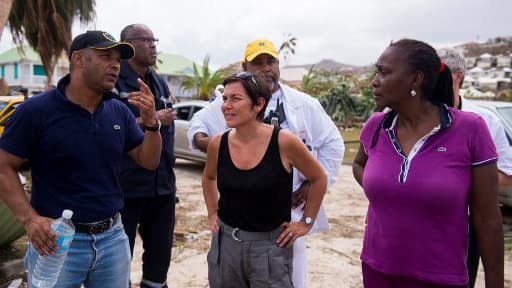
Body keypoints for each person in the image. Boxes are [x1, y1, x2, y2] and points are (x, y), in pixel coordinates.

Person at [0, 30, 162, 287]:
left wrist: (152, 124)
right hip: (58, 242)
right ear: (78, 58)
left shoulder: (118, 111)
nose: (114, 65)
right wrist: (29, 220)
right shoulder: (37, 111)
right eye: (105, 56)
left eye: (118, 59)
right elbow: (3, 167)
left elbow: (149, 161)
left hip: (112, 238)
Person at [187, 38, 344, 287]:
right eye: (257, 62)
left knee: (291, 276)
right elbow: (199, 128)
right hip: (232, 231)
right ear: (245, 66)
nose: (265, 68)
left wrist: (307, 199)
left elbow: (332, 147)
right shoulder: (230, 104)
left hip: (283, 220)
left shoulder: (302, 109)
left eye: (270, 61)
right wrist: (213, 211)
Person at [352, 38, 504, 287]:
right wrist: (387, 191)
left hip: (440, 276)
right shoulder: (376, 126)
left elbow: (487, 218)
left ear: (416, 79)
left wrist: (495, 283)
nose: (374, 81)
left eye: (384, 71)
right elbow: (359, 164)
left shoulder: (469, 129)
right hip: (378, 270)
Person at [202, 72, 328, 288]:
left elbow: (318, 178)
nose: (226, 106)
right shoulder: (218, 143)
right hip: (227, 246)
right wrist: (213, 212)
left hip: (270, 248)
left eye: (235, 99)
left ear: (258, 104)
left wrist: (306, 222)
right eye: (225, 98)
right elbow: (208, 176)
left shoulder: (284, 142)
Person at [438, 47, 512, 288]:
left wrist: (456, 179)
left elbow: (507, 174)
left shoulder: (484, 121)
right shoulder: (412, 116)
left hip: (465, 224)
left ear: (457, 76)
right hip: (418, 219)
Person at [113, 24, 177, 288]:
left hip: (161, 188)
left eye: (154, 40)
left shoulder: (159, 82)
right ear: (127, 45)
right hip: (125, 189)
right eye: (146, 40)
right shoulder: (114, 82)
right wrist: (150, 120)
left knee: (159, 260)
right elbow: (109, 128)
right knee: (117, 262)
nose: (153, 45)